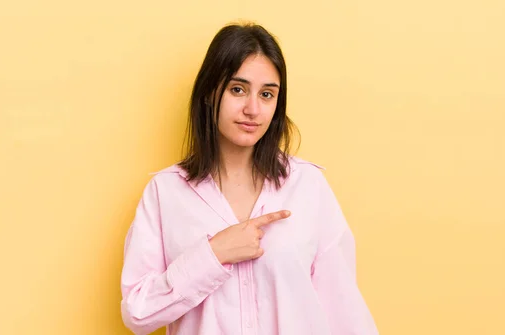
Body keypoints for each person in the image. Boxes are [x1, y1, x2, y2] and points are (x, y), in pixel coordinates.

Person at [120, 22, 378, 335]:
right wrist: (213, 254)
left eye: (267, 94)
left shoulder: (308, 186)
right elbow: (138, 313)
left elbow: (344, 312)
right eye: (238, 89)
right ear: (208, 94)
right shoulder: (165, 193)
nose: (253, 109)